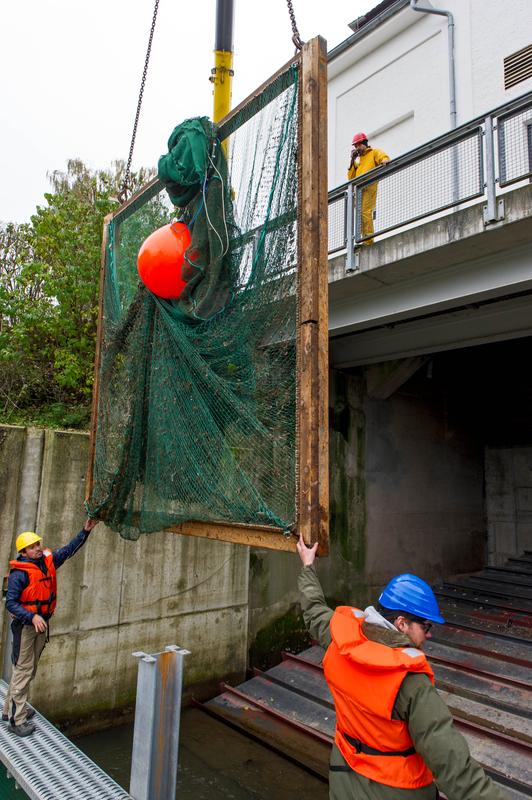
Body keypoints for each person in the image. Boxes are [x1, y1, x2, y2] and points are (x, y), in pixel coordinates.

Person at [296, 535, 508, 800]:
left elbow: (313, 609)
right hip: (396, 790)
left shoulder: (339, 638)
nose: (429, 635)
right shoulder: (410, 682)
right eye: (426, 627)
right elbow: (455, 769)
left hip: (345, 780)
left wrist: (307, 565)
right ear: (401, 623)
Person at [3, 518, 98, 737]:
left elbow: (68, 550)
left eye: (38, 544)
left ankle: (9, 711)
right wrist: (32, 616)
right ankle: (17, 721)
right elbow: (11, 603)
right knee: (24, 670)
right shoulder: (20, 574)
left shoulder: (47, 561)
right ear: (24, 552)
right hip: (26, 627)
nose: (38, 548)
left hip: (40, 625)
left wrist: (85, 531)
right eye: (33, 546)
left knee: (27, 669)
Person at [347, 133, 389, 245]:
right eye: (355, 146)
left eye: (358, 145)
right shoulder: (358, 161)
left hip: (369, 186)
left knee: (366, 212)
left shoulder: (373, 153)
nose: (356, 148)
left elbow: (382, 156)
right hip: (359, 190)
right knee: (360, 214)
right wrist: (352, 160)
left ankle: (369, 240)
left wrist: (384, 160)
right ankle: (362, 239)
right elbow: (351, 178)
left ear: (364, 143)